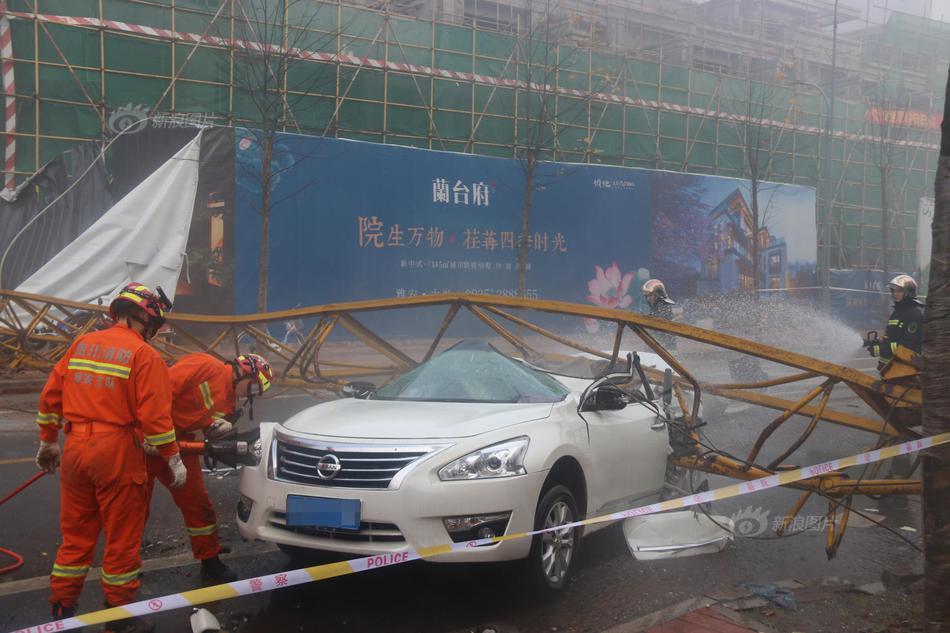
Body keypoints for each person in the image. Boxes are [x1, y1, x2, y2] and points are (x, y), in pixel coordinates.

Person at [34, 283, 185, 633]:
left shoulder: (82, 344)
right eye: (155, 325)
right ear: (147, 319)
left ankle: (61, 609)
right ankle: (118, 617)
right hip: (116, 451)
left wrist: (47, 443)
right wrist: (173, 458)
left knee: (75, 536)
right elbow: (157, 421)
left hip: (74, 450)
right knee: (122, 538)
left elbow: (50, 396)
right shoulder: (145, 356)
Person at [144, 352, 274, 585]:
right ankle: (125, 566)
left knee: (198, 505)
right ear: (244, 372)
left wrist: (216, 431)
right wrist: (149, 433)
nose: (249, 395)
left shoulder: (228, 403)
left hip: (179, 443)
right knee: (134, 508)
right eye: (252, 388)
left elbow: (206, 430)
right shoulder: (205, 366)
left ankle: (210, 559)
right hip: (144, 441)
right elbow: (159, 391)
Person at [866, 274, 924, 370]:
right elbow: (892, 337)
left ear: (908, 292)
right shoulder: (897, 312)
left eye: (899, 291)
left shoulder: (914, 314)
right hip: (890, 369)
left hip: (905, 369)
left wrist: (881, 349)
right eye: (893, 291)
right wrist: (881, 342)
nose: (894, 294)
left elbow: (907, 346)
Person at [641, 279, 676, 349]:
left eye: (650, 295)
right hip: (658, 348)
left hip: (665, 349)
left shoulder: (664, 307)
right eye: (646, 296)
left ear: (658, 295)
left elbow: (659, 326)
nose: (648, 299)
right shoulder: (655, 307)